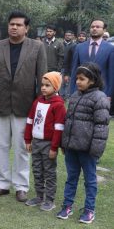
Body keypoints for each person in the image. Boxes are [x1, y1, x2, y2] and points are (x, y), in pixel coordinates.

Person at [0, 11, 47, 202]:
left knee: (22, 147)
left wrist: (40, 106)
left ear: (26, 28)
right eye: (11, 24)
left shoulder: (37, 47)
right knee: (1, 146)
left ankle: (21, 186)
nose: (14, 27)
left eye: (19, 25)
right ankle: (2, 184)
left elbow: (42, 78)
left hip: (25, 106)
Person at [57, 62, 110, 224]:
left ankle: (89, 210)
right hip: (71, 147)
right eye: (77, 79)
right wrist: (64, 143)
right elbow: (68, 121)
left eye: (82, 79)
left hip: (87, 150)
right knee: (71, 178)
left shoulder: (100, 98)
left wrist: (95, 150)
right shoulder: (74, 96)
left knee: (90, 181)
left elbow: (101, 127)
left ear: (92, 80)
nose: (78, 82)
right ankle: (67, 206)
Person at [24, 72, 66, 211]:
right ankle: (39, 196)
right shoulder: (37, 102)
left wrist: (54, 147)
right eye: (42, 85)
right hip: (36, 142)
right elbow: (30, 121)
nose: (43, 88)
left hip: (48, 144)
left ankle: (49, 199)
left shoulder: (58, 105)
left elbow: (59, 128)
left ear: (55, 87)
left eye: (47, 85)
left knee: (49, 172)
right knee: (36, 170)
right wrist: (28, 140)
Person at [70, 19, 114, 97]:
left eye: (98, 27)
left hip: (102, 92)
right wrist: (72, 91)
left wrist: (109, 94)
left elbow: (111, 73)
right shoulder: (79, 47)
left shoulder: (110, 49)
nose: (94, 28)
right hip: (81, 92)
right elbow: (74, 71)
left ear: (104, 30)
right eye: (92, 27)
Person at [63, 31, 87, 97]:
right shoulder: (73, 47)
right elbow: (67, 61)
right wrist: (66, 74)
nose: (81, 37)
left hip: (86, 72)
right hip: (73, 72)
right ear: (77, 37)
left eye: (83, 36)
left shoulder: (89, 48)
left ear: (86, 38)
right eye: (80, 36)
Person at [61, 30, 76, 99]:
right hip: (60, 66)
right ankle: (61, 96)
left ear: (72, 36)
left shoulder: (74, 46)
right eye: (66, 35)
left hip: (69, 67)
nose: (68, 36)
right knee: (61, 83)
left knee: (68, 83)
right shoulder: (60, 44)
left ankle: (66, 97)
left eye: (69, 35)